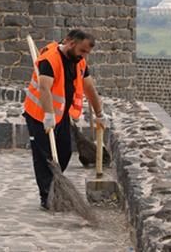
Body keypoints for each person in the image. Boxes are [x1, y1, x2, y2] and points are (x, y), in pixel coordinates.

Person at [23, 29, 109, 210]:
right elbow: (45, 89)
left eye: (87, 53)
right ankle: (47, 197)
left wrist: (100, 114)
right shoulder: (50, 59)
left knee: (64, 151)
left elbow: (89, 88)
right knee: (44, 156)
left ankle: (55, 186)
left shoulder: (79, 62)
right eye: (82, 51)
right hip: (39, 114)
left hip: (60, 115)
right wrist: (47, 116)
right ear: (70, 43)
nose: (84, 56)